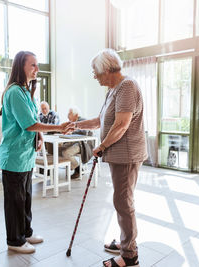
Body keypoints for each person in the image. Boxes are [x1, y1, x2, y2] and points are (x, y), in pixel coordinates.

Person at [66, 49, 147, 267]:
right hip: (118, 155)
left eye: (96, 72)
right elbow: (101, 120)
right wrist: (77, 124)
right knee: (122, 200)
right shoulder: (113, 90)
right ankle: (125, 242)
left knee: (123, 201)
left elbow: (121, 125)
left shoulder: (127, 87)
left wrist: (101, 146)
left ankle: (130, 255)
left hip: (127, 154)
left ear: (108, 70)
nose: (94, 76)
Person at [0, 51, 70, 254]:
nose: (37, 69)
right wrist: (57, 128)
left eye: (37, 65)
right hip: (14, 157)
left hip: (25, 157)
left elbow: (33, 123)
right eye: (33, 65)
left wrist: (40, 137)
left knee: (26, 198)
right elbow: (29, 124)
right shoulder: (14, 92)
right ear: (21, 67)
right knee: (15, 201)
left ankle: (25, 232)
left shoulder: (25, 92)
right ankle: (15, 241)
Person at [61, 107, 93, 179]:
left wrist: (72, 131)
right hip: (77, 143)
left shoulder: (83, 121)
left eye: (69, 114)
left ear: (76, 115)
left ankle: (78, 169)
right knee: (60, 149)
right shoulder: (72, 123)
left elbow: (85, 132)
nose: (67, 115)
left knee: (66, 153)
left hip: (85, 145)